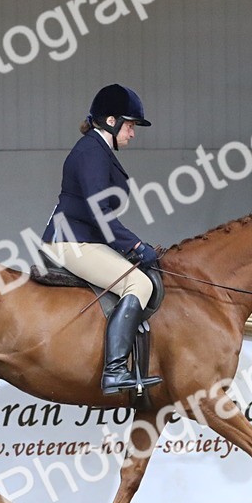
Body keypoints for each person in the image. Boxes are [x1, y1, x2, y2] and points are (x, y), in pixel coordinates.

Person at [41, 84, 163, 396]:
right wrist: (134, 246)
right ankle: (115, 371)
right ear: (111, 121)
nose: (132, 133)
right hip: (71, 242)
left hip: (85, 239)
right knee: (139, 284)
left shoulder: (98, 150)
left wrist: (130, 246)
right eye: (130, 125)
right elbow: (100, 211)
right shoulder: (91, 152)